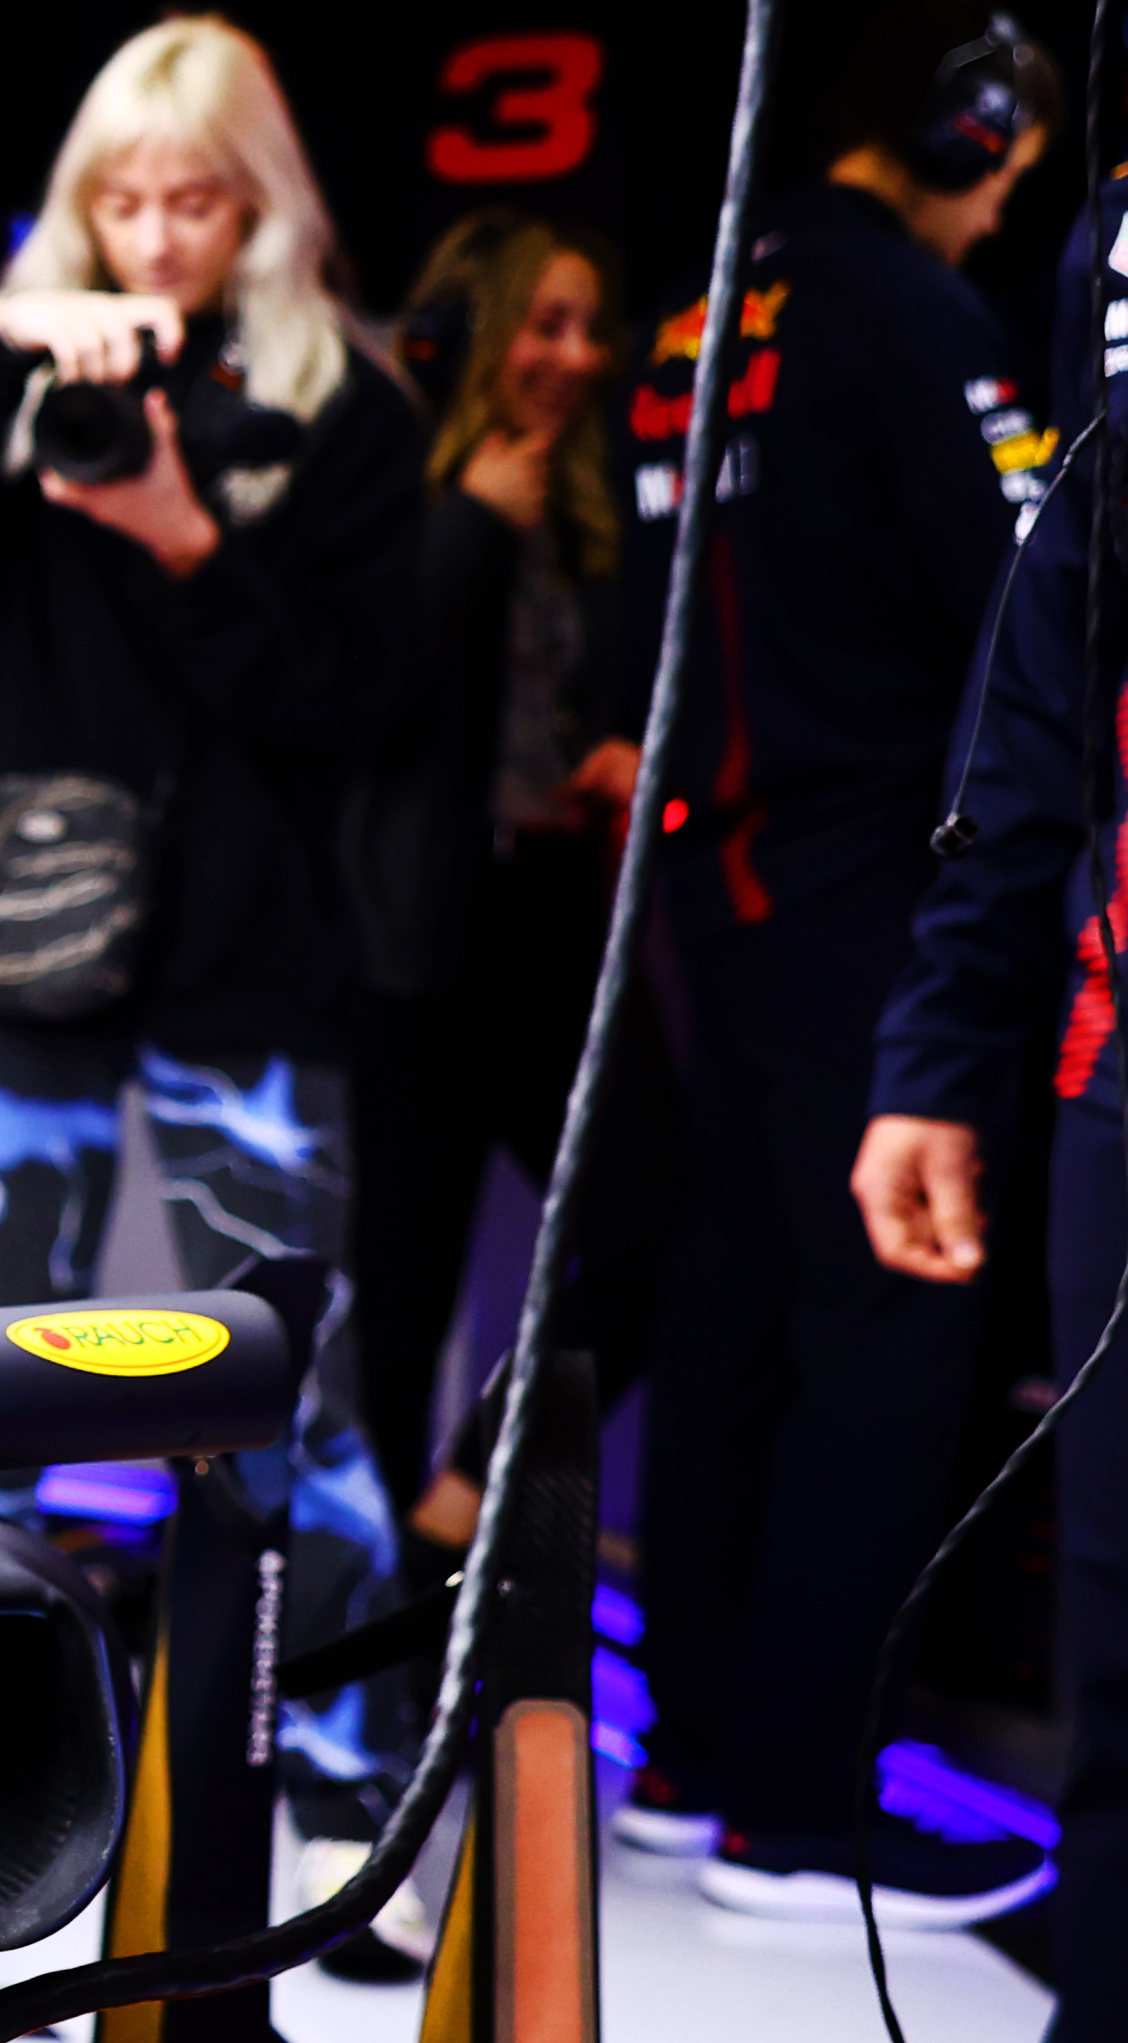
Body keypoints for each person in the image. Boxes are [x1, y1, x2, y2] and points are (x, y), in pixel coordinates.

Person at [0, 13, 420, 1870]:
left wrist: (183, 536)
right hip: (21, 948)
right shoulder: (8, 376)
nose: (159, 240)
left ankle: (327, 1727)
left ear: (262, 205)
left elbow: (348, 704)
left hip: (251, 952)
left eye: (196, 202)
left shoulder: (344, 408)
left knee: (288, 1375)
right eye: (124, 199)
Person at [591, 0, 1060, 1925]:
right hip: (877, 888)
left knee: (735, 1318)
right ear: (967, 136)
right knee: (880, 1338)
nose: (1005, 203)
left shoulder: (708, 306)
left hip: (720, 891)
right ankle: (799, 1797)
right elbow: (1037, 592)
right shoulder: (910, 312)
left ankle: (702, 1751)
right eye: (1009, 165)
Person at [856, 160, 1127, 2009]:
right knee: (1125, 1668)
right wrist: (944, 1046)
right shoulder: (1117, 232)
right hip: (1120, 1046)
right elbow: (1052, 653)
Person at [348, 216, 673, 1521]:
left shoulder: (587, 505)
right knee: (398, 1294)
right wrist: (470, 524)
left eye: (590, 326)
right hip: (417, 939)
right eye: (546, 323)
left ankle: (469, 1488)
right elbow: (360, 701)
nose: (576, 356)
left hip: (548, 918)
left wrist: (609, 755)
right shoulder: (395, 483)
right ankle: (379, 1622)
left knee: (655, 1213)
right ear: (479, 332)